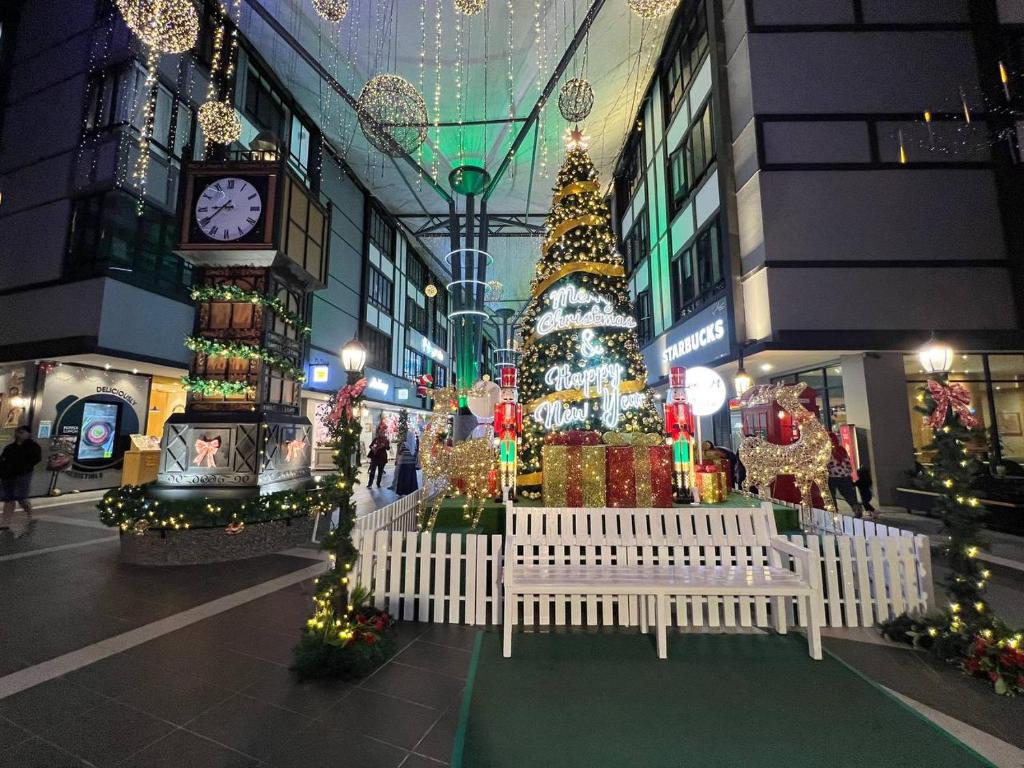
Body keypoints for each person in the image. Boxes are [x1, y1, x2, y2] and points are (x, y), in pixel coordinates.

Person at [1, 425, 42, 517]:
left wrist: (24, 468)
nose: (18, 435)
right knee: (8, 498)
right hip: (8, 475)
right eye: (17, 432)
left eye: (21, 432)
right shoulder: (10, 447)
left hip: (23, 474)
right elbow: (3, 459)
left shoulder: (33, 447)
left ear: (28, 434)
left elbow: (36, 459)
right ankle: (5, 523)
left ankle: (29, 512)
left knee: (21, 497)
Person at [827, 433, 863, 517]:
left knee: (831, 495)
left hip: (832, 477)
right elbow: (848, 462)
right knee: (848, 494)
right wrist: (849, 472)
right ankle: (856, 507)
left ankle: (834, 512)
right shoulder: (841, 449)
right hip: (845, 476)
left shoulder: (826, 451)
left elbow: (826, 464)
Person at [394, 428, 420, 495]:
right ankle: (411, 491)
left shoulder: (404, 444)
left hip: (404, 464)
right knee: (411, 478)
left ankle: (403, 491)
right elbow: (415, 454)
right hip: (412, 464)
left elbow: (400, 452)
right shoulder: (414, 445)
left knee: (403, 478)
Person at [366, 424, 389, 488]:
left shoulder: (386, 440)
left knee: (380, 472)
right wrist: (372, 448)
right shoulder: (376, 439)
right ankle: (370, 484)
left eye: (382, 433)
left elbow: (388, 448)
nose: (381, 434)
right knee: (372, 471)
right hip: (375, 457)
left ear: (384, 433)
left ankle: (378, 483)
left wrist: (385, 445)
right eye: (380, 432)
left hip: (382, 458)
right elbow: (370, 445)